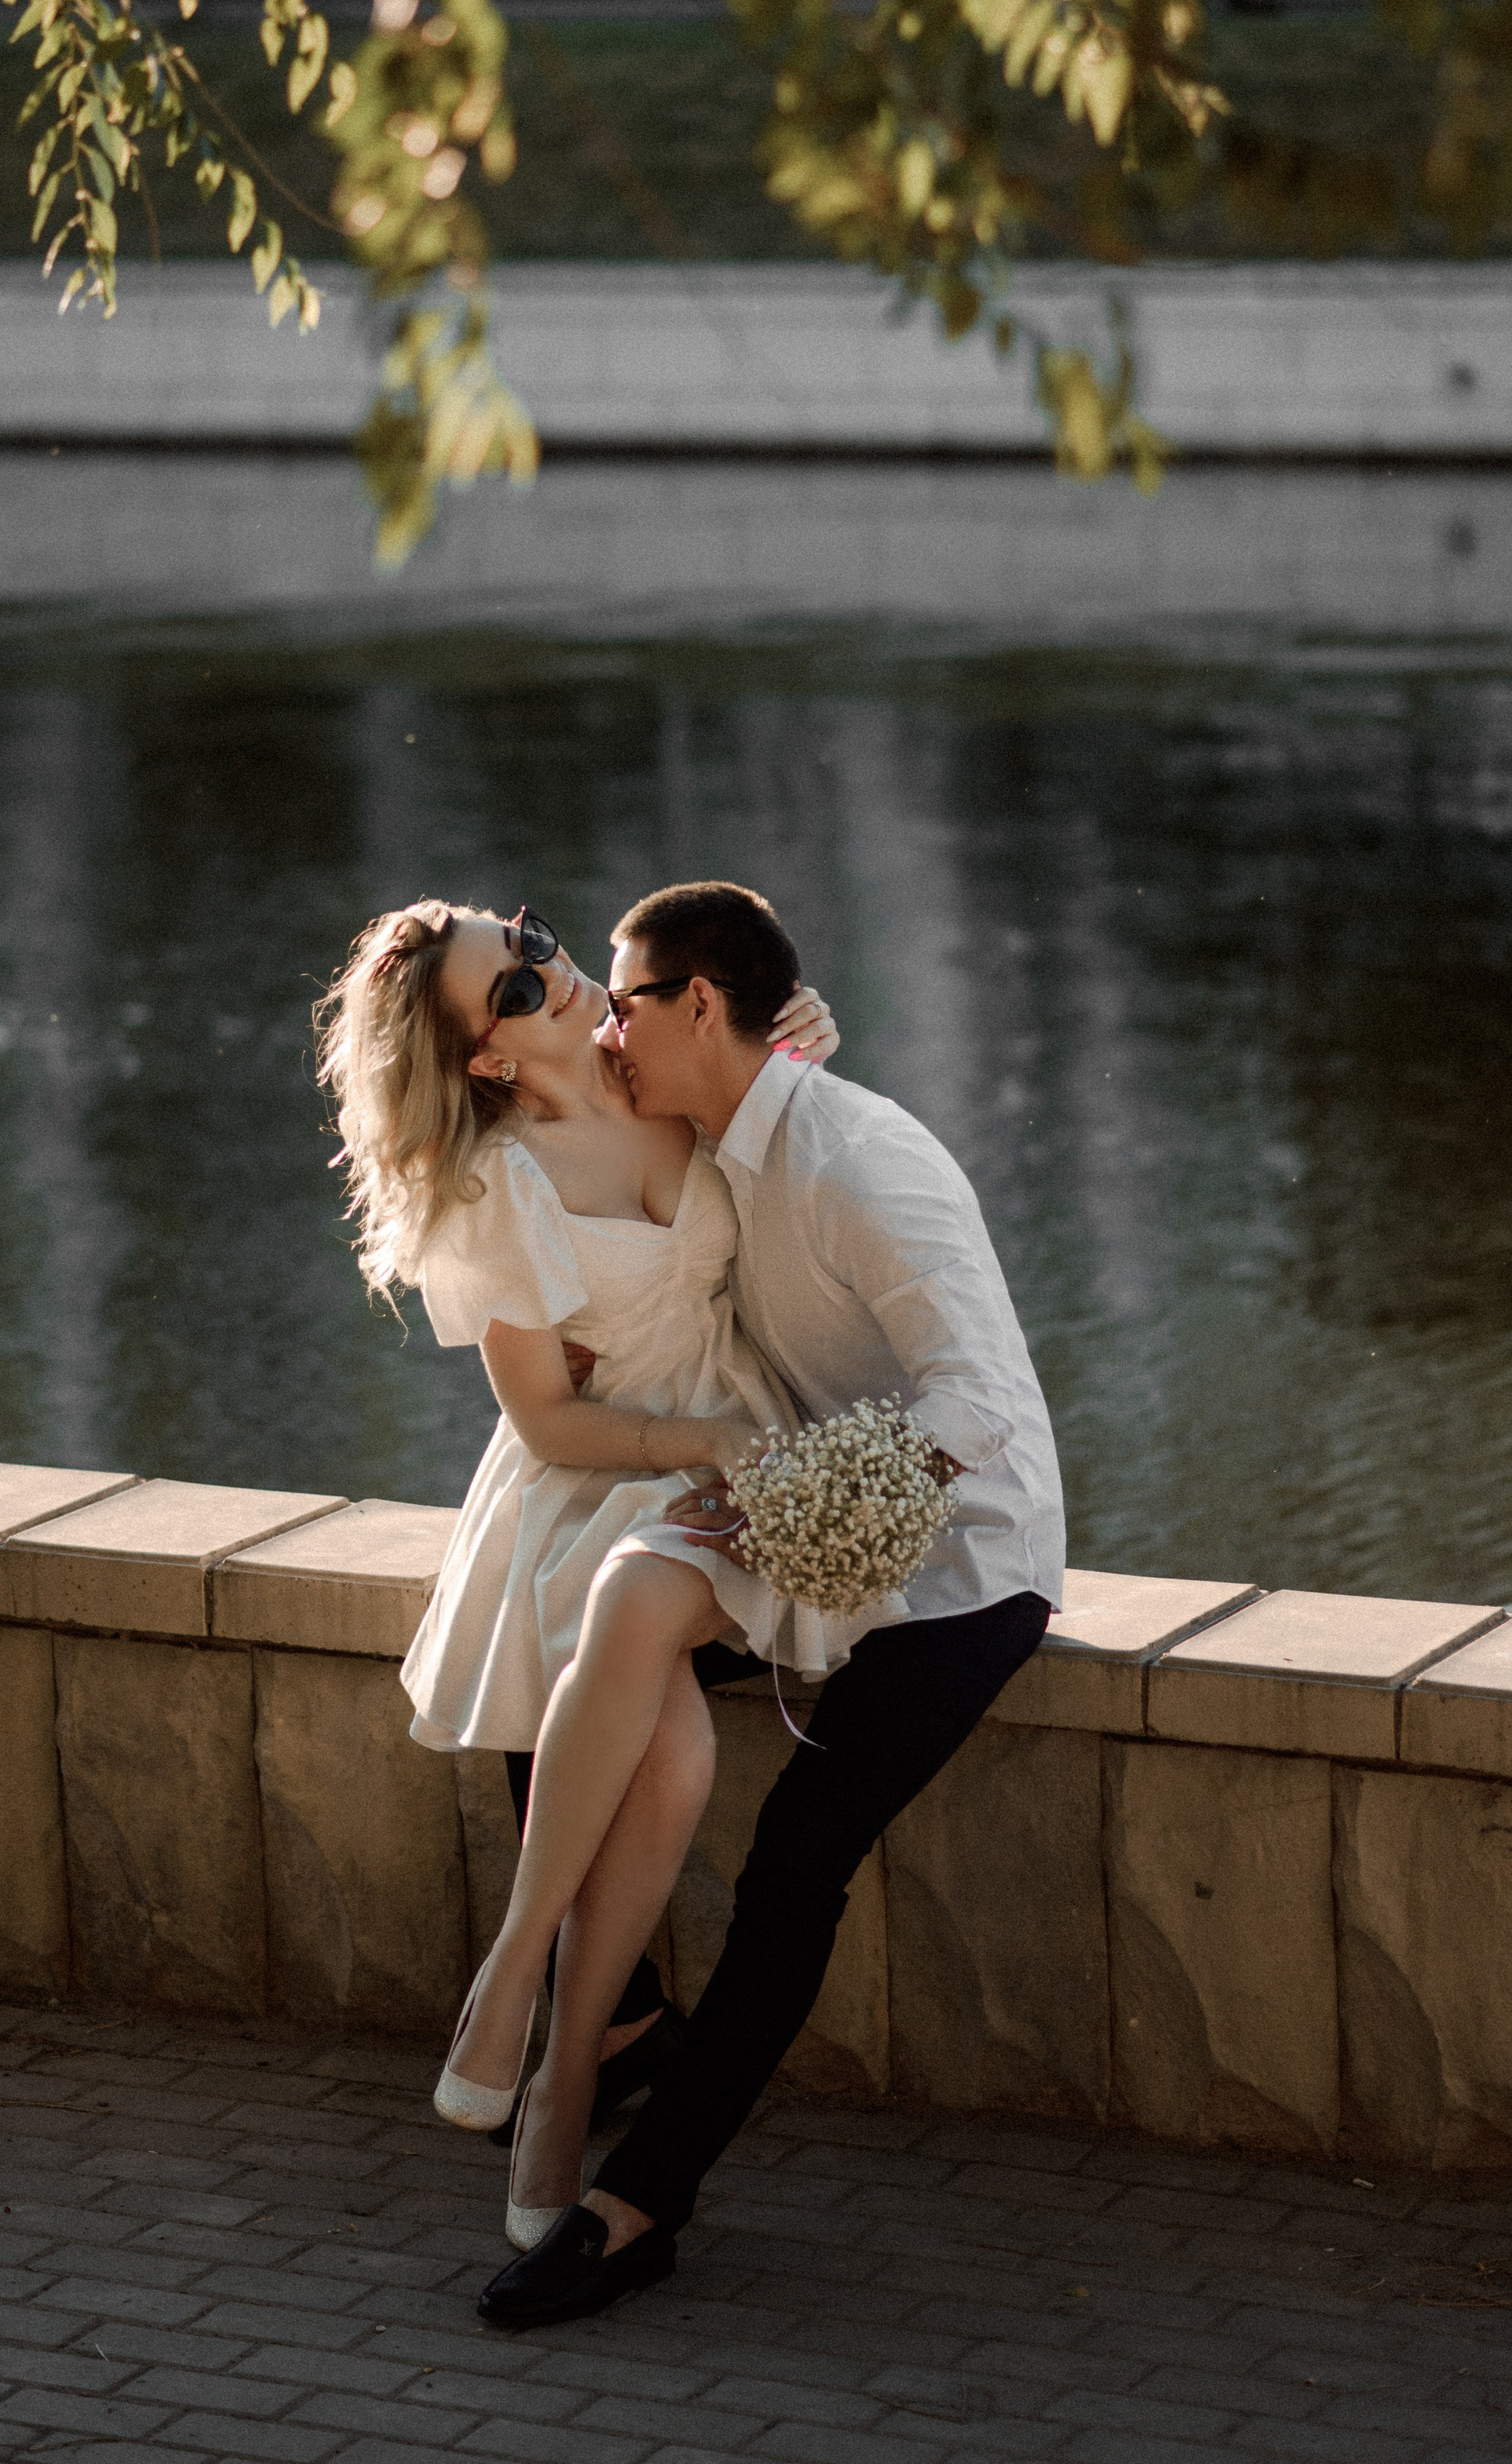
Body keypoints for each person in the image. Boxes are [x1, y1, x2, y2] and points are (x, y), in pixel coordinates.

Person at [477, 879, 1065, 2329]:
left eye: (624, 998)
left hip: (959, 1570)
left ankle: (635, 2209)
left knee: (796, 1859)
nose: (603, 1022)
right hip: (794, 1522)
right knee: (556, 1658)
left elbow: (979, 1401)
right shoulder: (709, 1120)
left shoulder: (867, 1161)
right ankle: (601, 2029)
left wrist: (805, 1505)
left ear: (695, 1006)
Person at [315, 897, 881, 2254]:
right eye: (509, 991)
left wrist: (783, 1043)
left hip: (734, 1451)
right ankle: (557, 2066)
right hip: (600, 1477)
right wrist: (712, 1445)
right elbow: (549, 1424)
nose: (549, 975)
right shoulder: (497, 1187)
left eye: (532, 939)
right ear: (485, 1062)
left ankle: (529, 2016)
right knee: (668, 1740)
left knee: (652, 1702)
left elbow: (777, 1099)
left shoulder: (654, 1063)